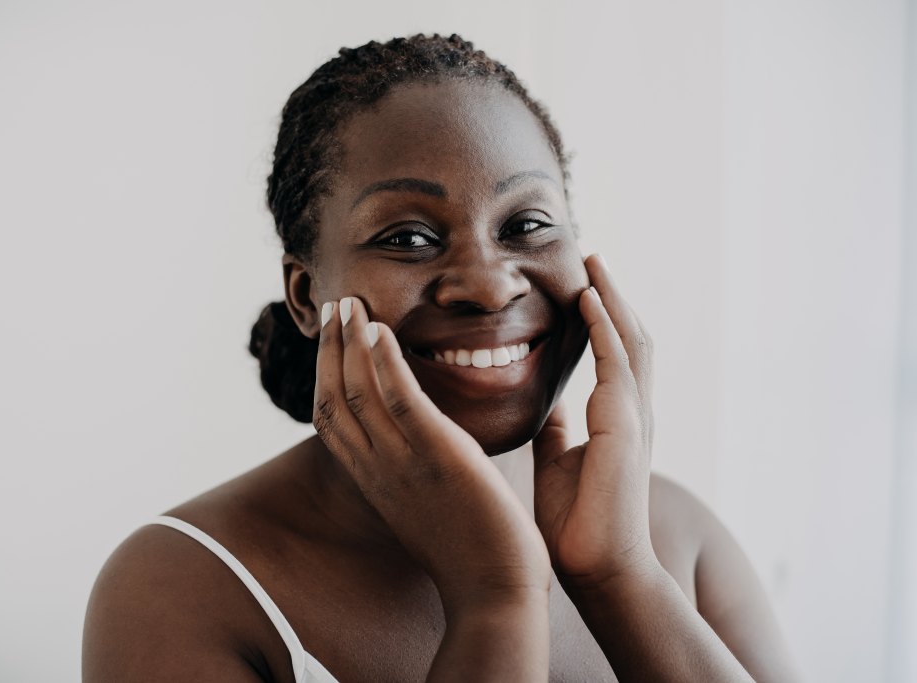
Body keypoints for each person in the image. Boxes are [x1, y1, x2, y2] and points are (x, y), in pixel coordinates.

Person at [82, 34, 799, 682]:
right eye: (408, 238)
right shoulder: (180, 585)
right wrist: (494, 597)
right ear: (306, 295)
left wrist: (621, 578)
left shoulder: (677, 535)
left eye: (526, 223)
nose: (490, 284)